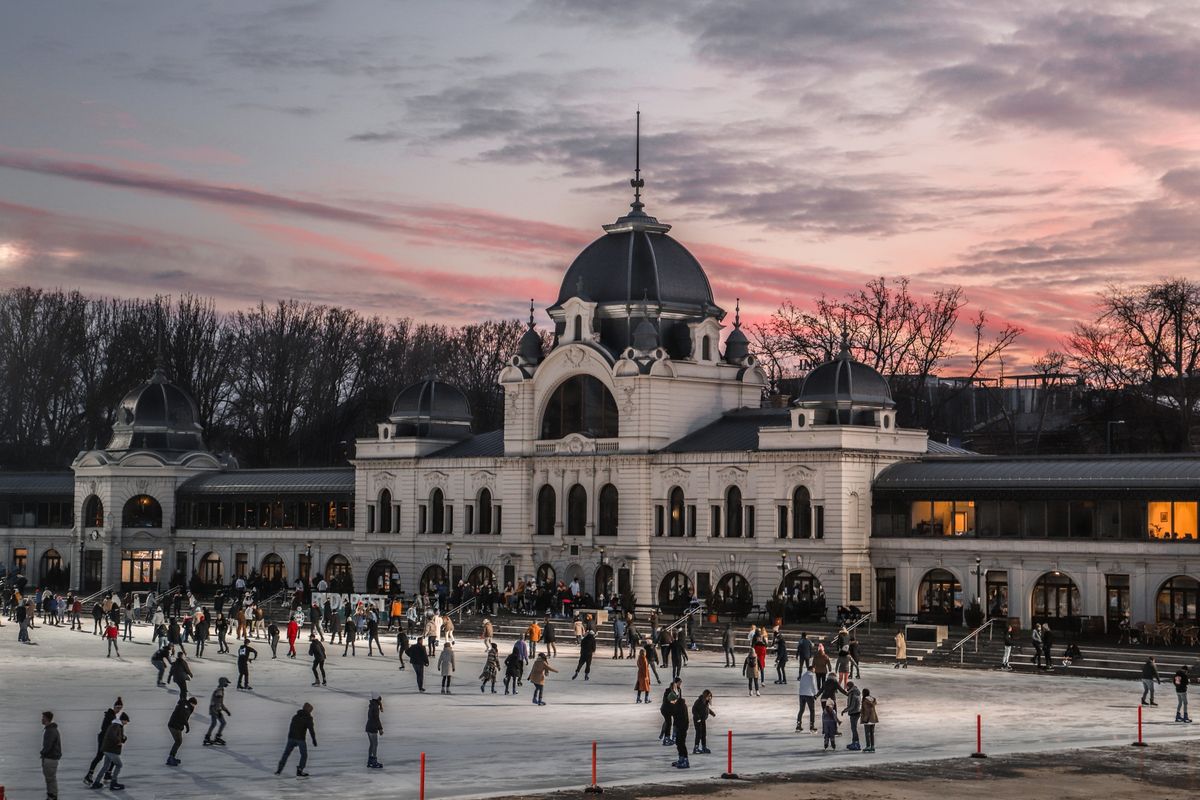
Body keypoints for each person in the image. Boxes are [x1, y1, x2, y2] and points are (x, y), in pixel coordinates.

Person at [84, 697, 123, 786]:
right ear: (114, 707)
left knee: (107, 757)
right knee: (102, 756)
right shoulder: (110, 716)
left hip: (105, 739)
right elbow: (104, 728)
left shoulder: (112, 715)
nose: (118, 709)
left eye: (120, 708)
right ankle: (91, 775)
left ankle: (106, 774)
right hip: (103, 739)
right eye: (117, 707)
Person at [90, 711, 130, 790]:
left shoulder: (117, 726)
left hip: (107, 749)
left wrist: (123, 738)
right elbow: (112, 736)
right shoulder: (116, 726)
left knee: (105, 766)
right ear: (123, 720)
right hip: (111, 750)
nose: (126, 723)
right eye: (126, 721)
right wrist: (118, 741)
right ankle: (113, 783)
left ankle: (96, 783)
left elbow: (117, 736)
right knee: (119, 765)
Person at [276, 703, 317, 778]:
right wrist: (314, 739)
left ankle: (279, 770)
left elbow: (291, 727)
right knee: (304, 755)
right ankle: (300, 770)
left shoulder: (295, 716)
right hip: (300, 739)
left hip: (291, 737)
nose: (311, 712)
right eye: (310, 710)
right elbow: (311, 730)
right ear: (309, 710)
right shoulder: (308, 718)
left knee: (286, 754)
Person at [165, 696, 197, 766]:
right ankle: (171, 758)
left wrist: (183, 726)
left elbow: (184, 717)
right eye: (194, 704)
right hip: (174, 726)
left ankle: (171, 757)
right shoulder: (186, 707)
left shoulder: (186, 706)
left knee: (178, 741)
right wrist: (187, 726)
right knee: (178, 741)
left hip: (174, 725)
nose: (194, 706)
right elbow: (183, 716)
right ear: (192, 703)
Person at [204, 677, 231, 746]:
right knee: (214, 723)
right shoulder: (219, 691)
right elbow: (217, 702)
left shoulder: (220, 690)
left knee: (222, 723)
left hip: (217, 709)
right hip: (214, 709)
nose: (227, 684)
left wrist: (226, 710)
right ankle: (208, 738)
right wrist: (216, 711)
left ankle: (217, 737)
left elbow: (220, 703)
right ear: (223, 682)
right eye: (226, 683)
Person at [41, 710, 61, 800]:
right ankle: (51, 795)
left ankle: (52, 796)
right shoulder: (51, 729)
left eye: (43, 718)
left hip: (50, 758)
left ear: (47, 719)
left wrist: (43, 753)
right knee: (50, 778)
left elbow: (48, 745)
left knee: (50, 778)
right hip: (51, 757)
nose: (42, 719)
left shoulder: (50, 731)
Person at [670, 691, 690, 769]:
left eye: (671, 700)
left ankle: (686, 761)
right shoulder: (676, 705)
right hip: (679, 727)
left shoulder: (681, 706)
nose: (670, 702)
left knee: (681, 744)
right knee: (678, 743)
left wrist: (679, 728)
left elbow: (682, 718)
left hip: (682, 727)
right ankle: (681, 758)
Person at [691, 690, 714, 755]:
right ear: (705, 695)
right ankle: (696, 748)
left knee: (704, 733)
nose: (710, 697)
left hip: (703, 719)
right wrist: (698, 718)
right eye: (709, 696)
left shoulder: (706, 702)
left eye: (710, 696)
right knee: (699, 733)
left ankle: (704, 747)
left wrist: (712, 713)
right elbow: (694, 709)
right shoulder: (699, 701)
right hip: (697, 720)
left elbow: (706, 709)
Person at [841, 680, 862, 750]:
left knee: (854, 728)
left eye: (847, 686)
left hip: (854, 712)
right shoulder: (856, 692)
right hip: (857, 711)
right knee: (853, 728)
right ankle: (854, 742)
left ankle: (856, 743)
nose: (846, 688)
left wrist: (845, 710)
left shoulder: (852, 694)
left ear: (849, 686)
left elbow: (852, 705)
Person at [365, 693, 384, 769]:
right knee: (375, 744)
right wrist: (380, 729)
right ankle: (374, 761)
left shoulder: (372, 705)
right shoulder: (375, 707)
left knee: (372, 744)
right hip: (373, 728)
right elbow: (376, 719)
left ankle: (370, 760)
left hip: (368, 727)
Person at [659, 678, 681, 744]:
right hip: (666, 709)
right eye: (679, 683)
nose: (680, 684)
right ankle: (666, 738)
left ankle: (673, 736)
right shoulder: (668, 691)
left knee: (675, 721)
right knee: (668, 722)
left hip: (673, 709)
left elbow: (679, 700)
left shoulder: (679, 690)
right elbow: (667, 700)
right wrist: (674, 701)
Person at [797, 667, 818, 732]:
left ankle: (798, 725)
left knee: (801, 710)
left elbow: (801, 685)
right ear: (811, 669)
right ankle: (812, 726)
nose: (815, 670)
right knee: (812, 710)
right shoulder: (811, 676)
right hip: (809, 695)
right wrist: (815, 694)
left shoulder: (803, 675)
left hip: (802, 694)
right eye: (814, 669)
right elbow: (813, 685)